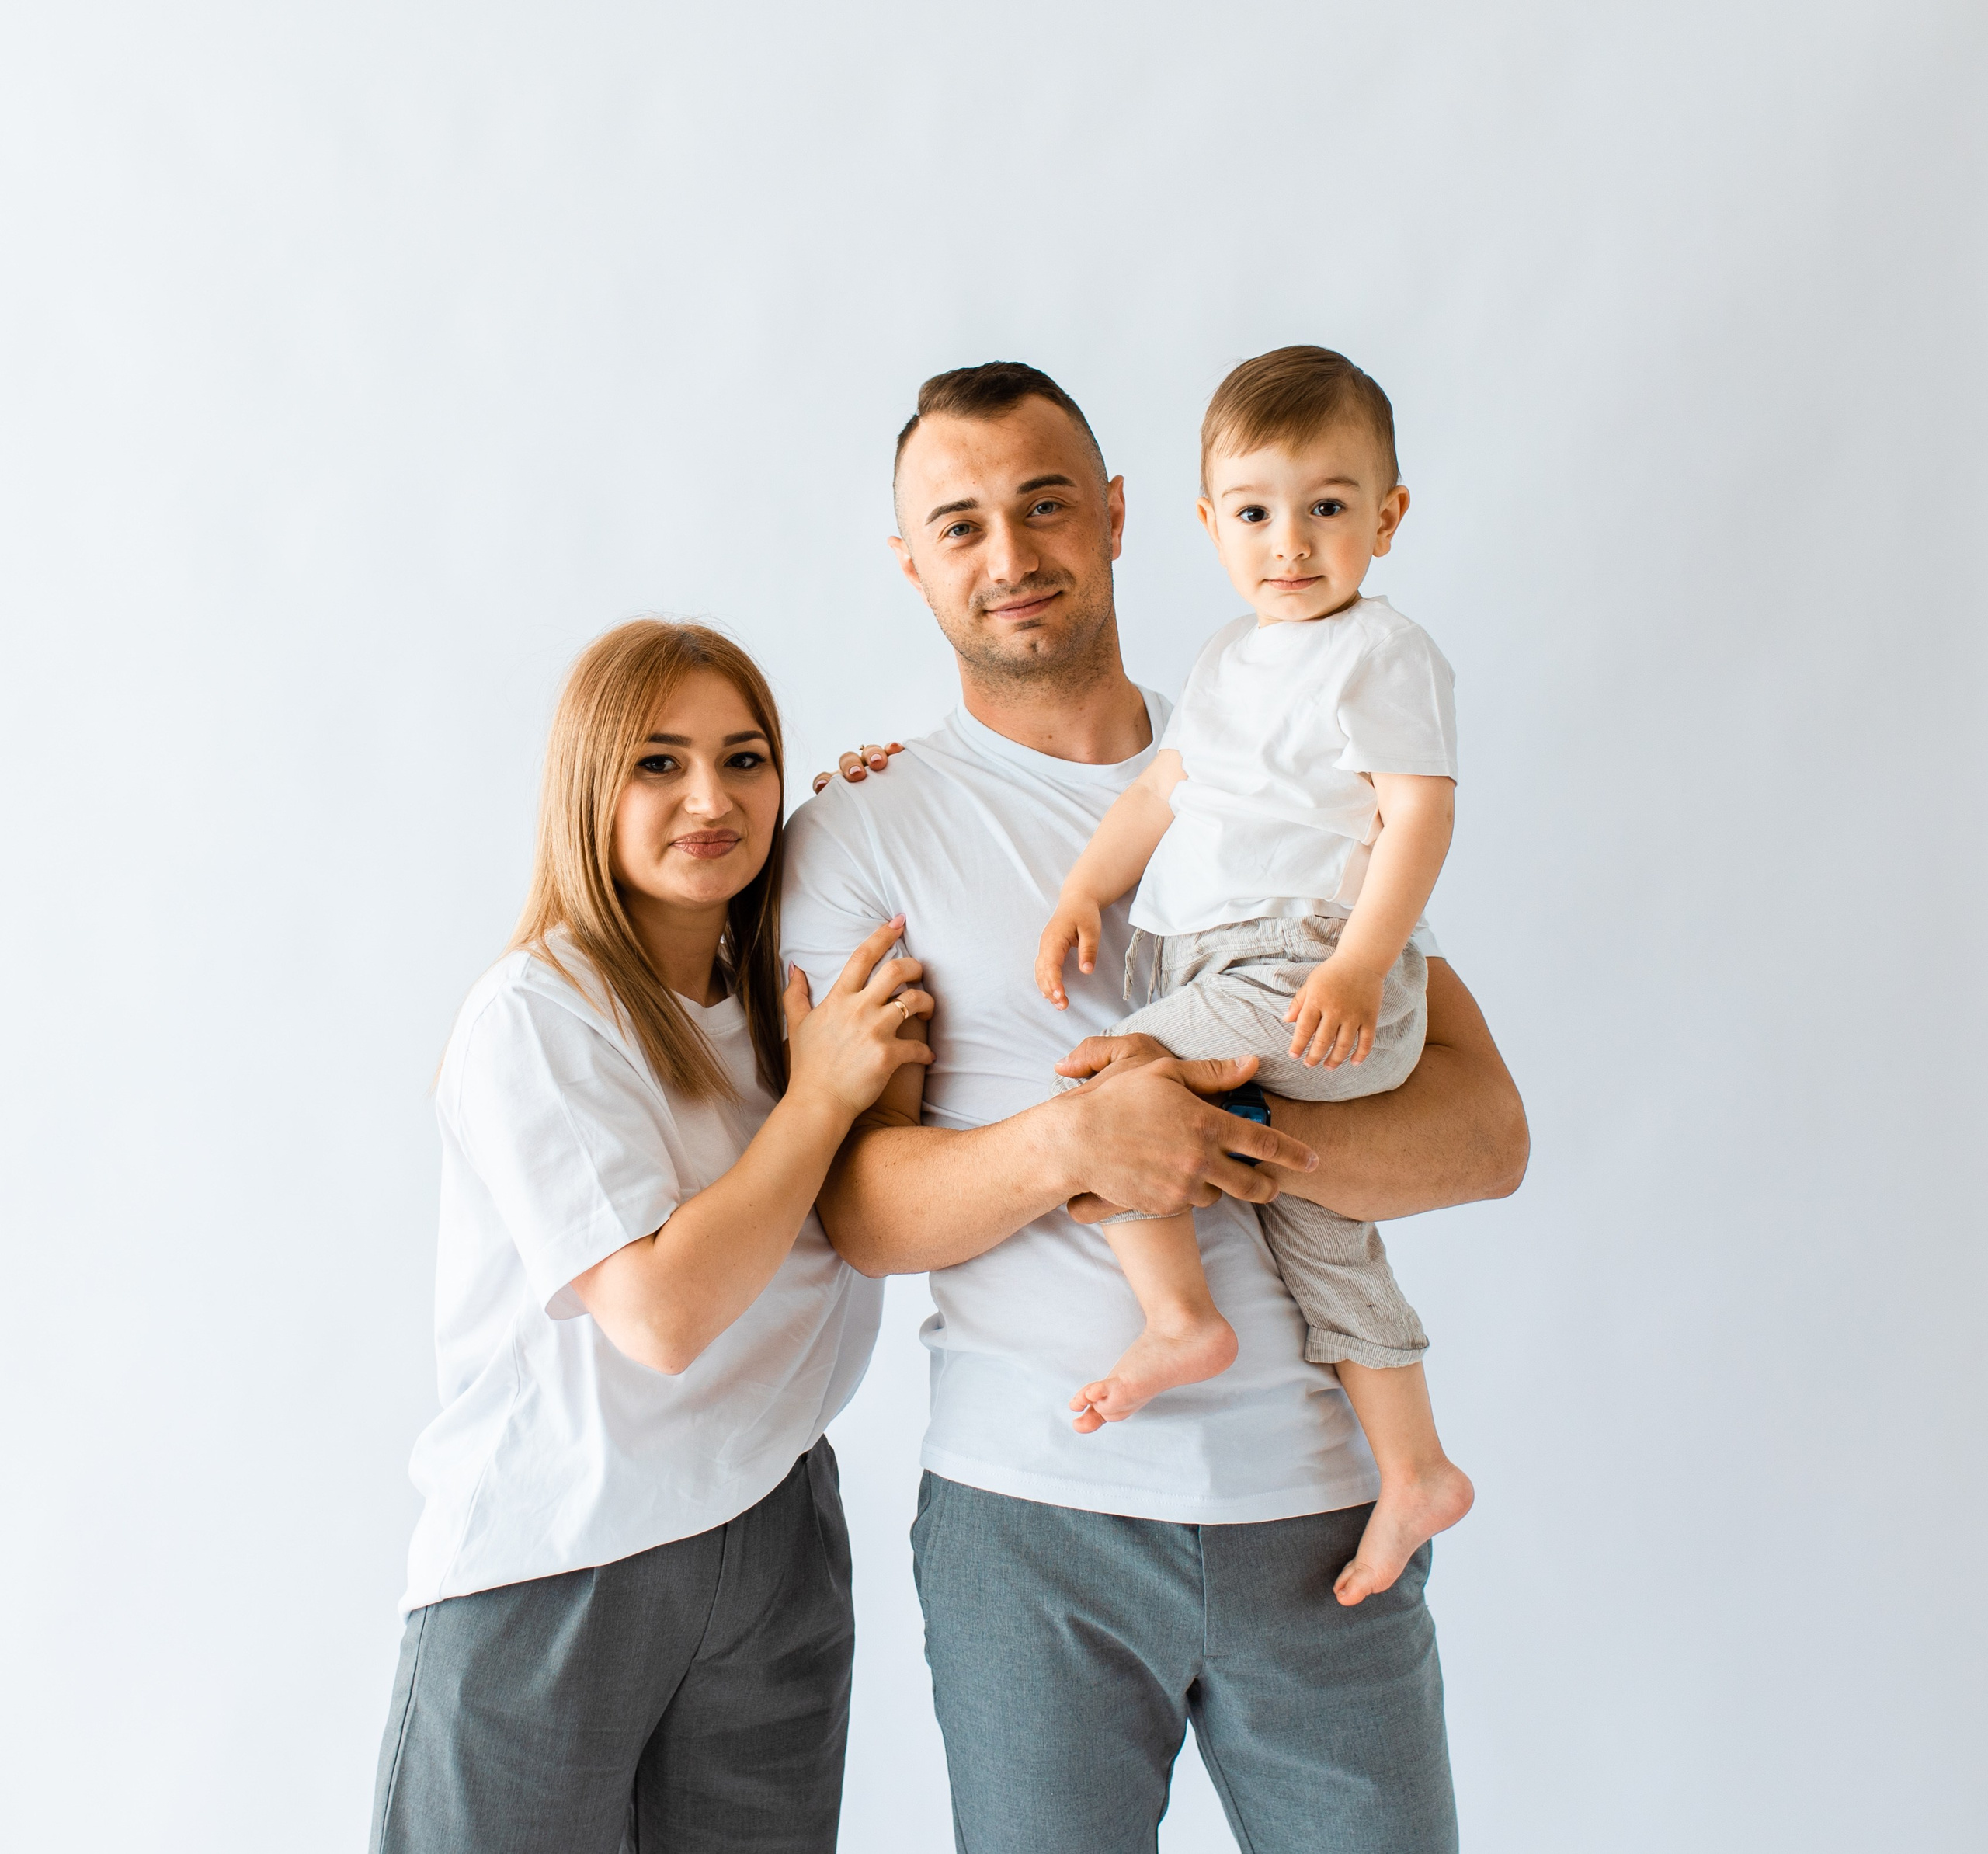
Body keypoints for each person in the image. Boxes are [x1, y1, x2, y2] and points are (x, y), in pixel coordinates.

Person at [784, 363, 1527, 1854]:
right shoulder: (864, 830)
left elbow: (1485, 1132)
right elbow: (858, 1211)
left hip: (1322, 1517)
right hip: (1030, 1519)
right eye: (962, 523)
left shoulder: (1291, 743)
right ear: (911, 561)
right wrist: (1079, 1140)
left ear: (1122, 519)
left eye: (1046, 504)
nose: (1010, 555)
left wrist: (1245, 1146)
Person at [369, 621, 932, 1854]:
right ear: (590, 785)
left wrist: (887, 830)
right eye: (658, 764)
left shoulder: (792, 999)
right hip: (559, 1558)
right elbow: (663, 1315)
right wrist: (824, 1095)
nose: (710, 799)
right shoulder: (538, 1011)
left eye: (745, 760)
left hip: (775, 1532)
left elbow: (891, 1208)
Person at [1033, 345, 1473, 1608]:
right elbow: (1162, 791)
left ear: (1386, 519)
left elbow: (1418, 820)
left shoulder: (1381, 652)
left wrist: (1359, 964)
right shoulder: (1229, 660)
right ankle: (1416, 1464)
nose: (1292, 541)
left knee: (1122, 1088)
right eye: (1256, 511)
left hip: (1303, 965)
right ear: (1209, 523)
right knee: (1321, 1229)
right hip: (1230, 962)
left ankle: (1182, 1323)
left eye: (1329, 507)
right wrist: (1082, 891)